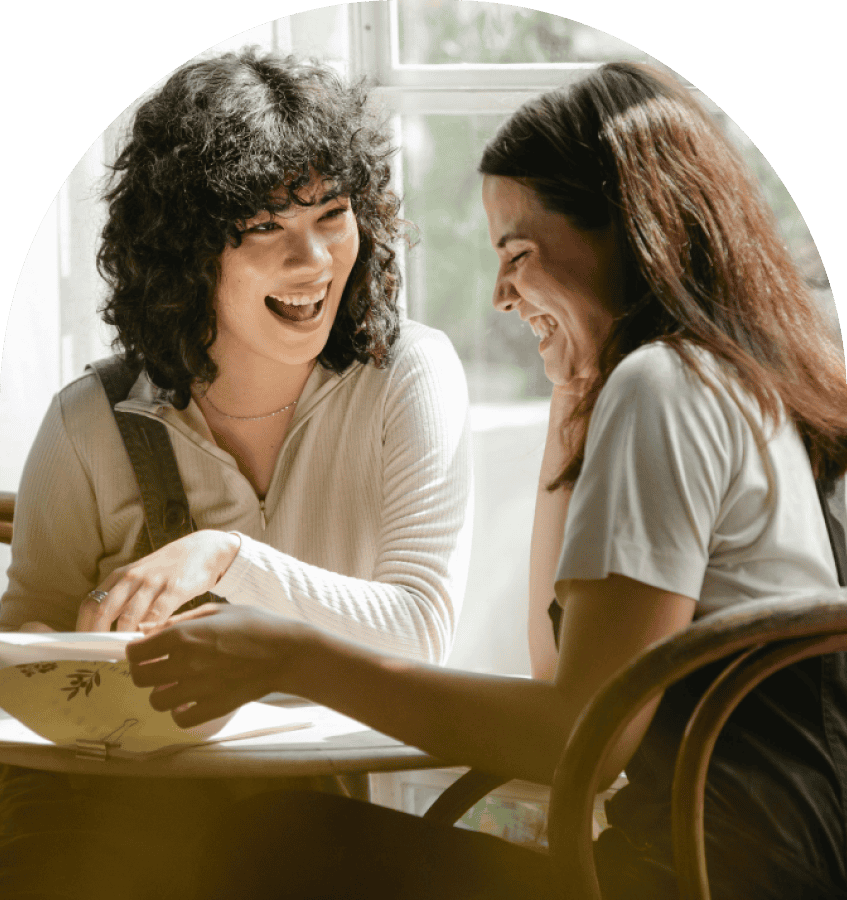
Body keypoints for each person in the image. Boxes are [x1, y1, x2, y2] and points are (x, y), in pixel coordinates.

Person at [128, 62, 847, 900]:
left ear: (628, 231)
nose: (502, 294)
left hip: (685, 879)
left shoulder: (664, 387)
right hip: (759, 871)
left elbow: (582, 734)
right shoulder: (728, 378)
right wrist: (572, 398)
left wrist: (291, 656)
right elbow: (561, 678)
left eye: (518, 253)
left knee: (276, 838)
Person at [0, 49, 471, 900]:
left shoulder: (409, 374)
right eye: (263, 229)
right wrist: (78, 655)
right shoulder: (87, 420)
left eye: (332, 214)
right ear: (183, 253)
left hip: (312, 824)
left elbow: (420, 636)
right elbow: (26, 648)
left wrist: (224, 557)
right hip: (109, 820)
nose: (314, 260)